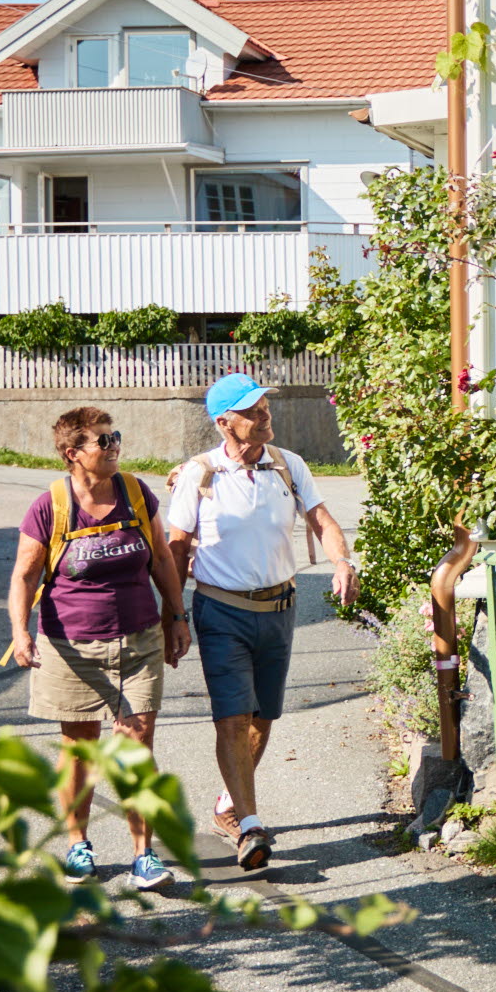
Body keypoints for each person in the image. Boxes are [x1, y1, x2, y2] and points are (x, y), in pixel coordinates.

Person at [166, 370, 357, 872]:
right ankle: (250, 826)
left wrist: (342, 562)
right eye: (252, 411)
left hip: (279, 611)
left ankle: (228, 806)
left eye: (264, 407)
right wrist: (173, 614)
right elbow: (176, 547)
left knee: (262, 718)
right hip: (222, 610)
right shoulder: (199, 475)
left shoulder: (287, 465)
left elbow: (321, 519)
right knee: (231, 715)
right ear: (224, 422)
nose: (264, 415)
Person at [6, 405, 191, 888]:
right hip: (71, 645)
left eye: (115, 438)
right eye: (102, 441)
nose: (114, 447)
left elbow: (162, 559)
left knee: (136, 745)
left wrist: (176, 615)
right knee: (80, 749)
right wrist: (20, 631)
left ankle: (143, 856)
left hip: (139, 638)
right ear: (73, 454)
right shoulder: (50, 505)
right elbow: (25, 574)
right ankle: (78, 846)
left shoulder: (134, 491)